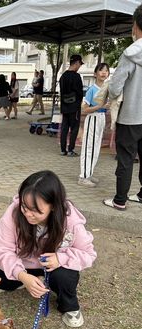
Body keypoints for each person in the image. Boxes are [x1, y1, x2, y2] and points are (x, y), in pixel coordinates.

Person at [0, 170, 96, 328]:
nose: (28, 215)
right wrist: (22, 276)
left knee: (66, 276)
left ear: (53, 206)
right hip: (24, 265)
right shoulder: (13, 213)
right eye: (25, 207)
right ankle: (26, 282)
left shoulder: (70, 220)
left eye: (36, 211)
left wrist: (61, 259)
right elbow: (2, 249)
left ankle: (69, 306)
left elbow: (88, 253)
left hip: (52, 267)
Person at [103, 4, 142, 210]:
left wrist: (114, 96)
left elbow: (116, 85)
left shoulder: (130, 53)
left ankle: (120, 200)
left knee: (125, 157)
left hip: (131, 115)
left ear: (136, 25)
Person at [78, 63, 110, 187]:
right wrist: (100, 106)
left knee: (96, 148)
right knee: (89, 147)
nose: (103, 72)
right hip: (93, 119)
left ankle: (89, 173)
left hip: (101, 119)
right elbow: (84, 109)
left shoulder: (107, 89)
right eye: (101, 70)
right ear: (95, 73)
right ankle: (83, 176)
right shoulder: (92, 89)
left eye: (106, 71)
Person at [59, 55, 84, 157]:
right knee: (74, 128)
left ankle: (63, 149)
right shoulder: (76, 77)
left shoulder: (63, 76)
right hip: (74, 107)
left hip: (64, 107)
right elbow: (80, 93)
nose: (79, 67)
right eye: (79, 64)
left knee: (64, 128)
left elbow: (61, 92)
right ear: (77, 63)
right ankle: (70, 150)